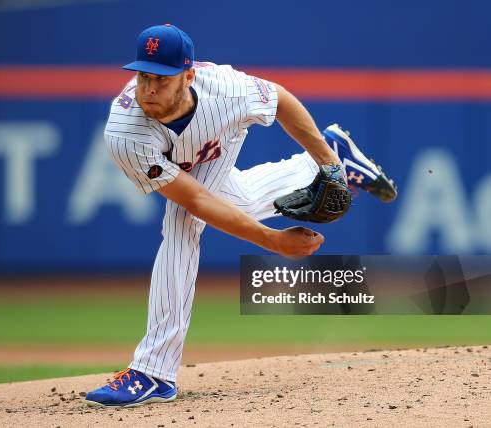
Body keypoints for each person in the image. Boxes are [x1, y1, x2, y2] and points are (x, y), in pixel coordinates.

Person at [83, 24, 396, 408]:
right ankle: (333, 154)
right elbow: (197, 197)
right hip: (186, 164)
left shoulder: (227, 89)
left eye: (162, 79)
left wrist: (326, 165)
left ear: (188, 75)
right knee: (224, 203)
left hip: (218, 134)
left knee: (182, 221)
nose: (149, 89)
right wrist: (272, 240)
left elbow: (279, 99)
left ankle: (154, 371)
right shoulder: (125, 132)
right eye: (143, 76)